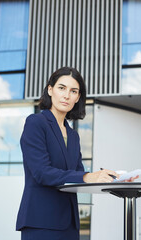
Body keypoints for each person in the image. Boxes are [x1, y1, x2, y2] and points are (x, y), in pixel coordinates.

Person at [16, 67, 120, 240]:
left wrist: (114, 179)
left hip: (69, 224)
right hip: (41, 222)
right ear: (50, 90)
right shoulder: (36, 123)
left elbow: (78, 175)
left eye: (73, 91)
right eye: (61, 88)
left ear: (78, 97)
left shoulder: (73, 136)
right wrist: (88, 176)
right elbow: (42, 172)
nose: (66, 95)